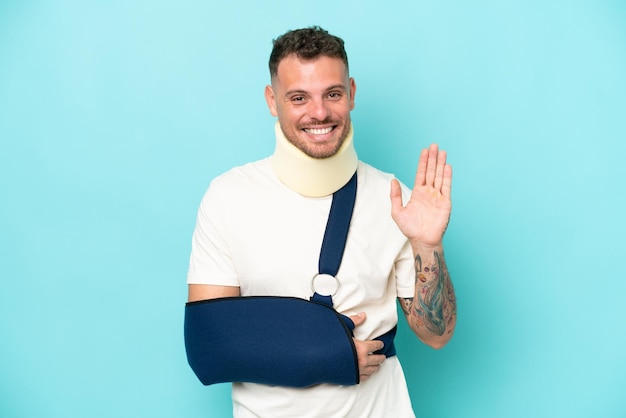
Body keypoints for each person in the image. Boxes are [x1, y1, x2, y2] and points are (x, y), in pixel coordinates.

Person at [186, 26, 457, 418]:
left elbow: (437, 336)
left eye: (333, 94)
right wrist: (328, 355)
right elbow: (209, 346)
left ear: (351, 93)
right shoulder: (228, 196)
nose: (319, 112)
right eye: (299, 98)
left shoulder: (394, 198)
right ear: (271, 100)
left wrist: (428, 244)